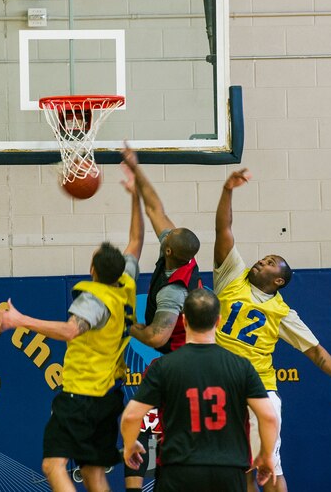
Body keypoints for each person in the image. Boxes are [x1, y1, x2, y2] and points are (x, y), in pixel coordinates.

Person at [0, 172, 144, 492]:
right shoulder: (125, 284)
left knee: (53, 465)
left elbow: (71, 331)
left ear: (93, 271)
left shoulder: (95, 298)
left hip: (81, 395)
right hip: (109, 395)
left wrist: (18, 319)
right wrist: (135, 195)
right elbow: (137, 241)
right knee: (93, 471)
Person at [213, 168, 331, 492]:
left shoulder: (283, 313)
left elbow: (315, 351)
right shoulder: (232, 277)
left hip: (258, 389)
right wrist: (227, 190)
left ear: (278, 280)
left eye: (269, 262)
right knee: (241, 471)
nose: (261, 261)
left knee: (271, 470)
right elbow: (224, 229)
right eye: (263, 258)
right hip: (222, 386)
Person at [121, 288, 279, 492]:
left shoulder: (163, 366)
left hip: (179, 471)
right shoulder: (242, 366)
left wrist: (130, 445)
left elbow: (131, 417)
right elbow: (269, 417)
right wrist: (266, 456)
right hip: (229, 471)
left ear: (184, 320)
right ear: (219, 321)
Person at [120, 145, 203, 492]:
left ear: (169, 249)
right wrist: (137, 173)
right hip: (176, 358)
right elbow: (157, 207)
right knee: (144, 421)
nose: (163, 233)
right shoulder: (177, 250)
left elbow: (155, 337)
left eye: (165, 238)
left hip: (183, 360)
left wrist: (127, 325)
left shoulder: (174, 291)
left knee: (156, 425)